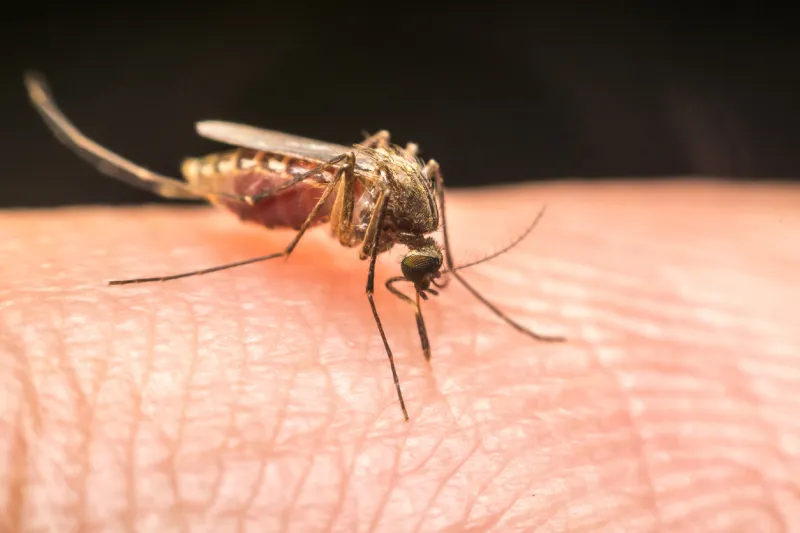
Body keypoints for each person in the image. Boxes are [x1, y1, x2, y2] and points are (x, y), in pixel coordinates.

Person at [2, 180, 797, 531]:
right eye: (428, 272)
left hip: (363, 193)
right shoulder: (391, 234)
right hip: (310, 189)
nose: (420, 281)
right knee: (298, 246)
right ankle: (178, 247)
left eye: (424, 273)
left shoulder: (416, 238)